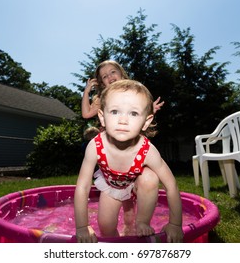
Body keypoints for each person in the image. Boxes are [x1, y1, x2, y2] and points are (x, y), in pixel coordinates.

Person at [74, 79, 183, 243]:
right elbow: (82, 186)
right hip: (112, 185)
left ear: (145, 122)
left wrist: (175, 224)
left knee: (150, 177)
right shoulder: (95, 146)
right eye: (115, 111)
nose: (123, 120)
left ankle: (142, 221)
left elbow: (171, 185)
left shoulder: (147, 151)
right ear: (102, 118)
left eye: (133, 113)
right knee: (106, 227)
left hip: (137, 182)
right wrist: (82, 226)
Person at [81, 60, 164, 119]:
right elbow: (86, 114)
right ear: (102, 83)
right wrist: (86, 92)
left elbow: (138, 115)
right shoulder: (103, 98)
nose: (109, 76)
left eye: (113, 72)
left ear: (121, 73)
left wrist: (150, 110)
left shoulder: (133, 92)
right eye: (105, 76)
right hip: (110, 138)